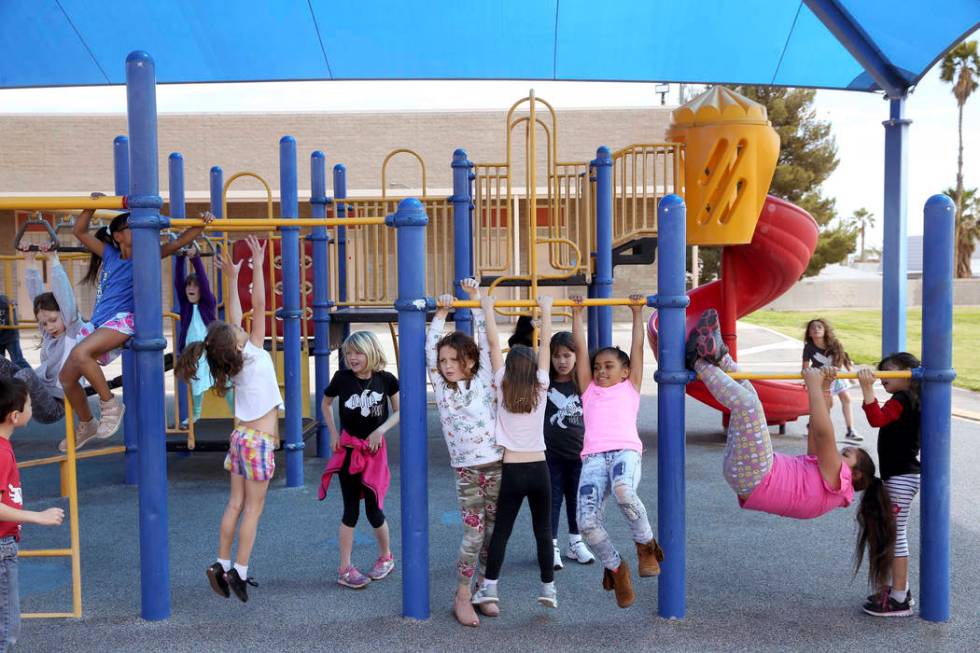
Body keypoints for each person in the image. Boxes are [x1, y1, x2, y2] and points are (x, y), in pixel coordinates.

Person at [688, 309, 895, 602]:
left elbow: (824, 435)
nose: (839, 453)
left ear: (856, 474)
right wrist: (823, 387)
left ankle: (698, 361)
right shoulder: (827, 479)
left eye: (847, 454)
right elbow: (816, 430)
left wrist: (811, 385)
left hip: (758, 476)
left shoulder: (839, 481)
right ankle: (720, 356)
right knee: (750, 397)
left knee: (748, 405)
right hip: (750, 475)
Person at [175, 236, 282, 603]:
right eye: (238, 331)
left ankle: (220, 562)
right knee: (254, 508)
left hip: (239, 439)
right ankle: (240, 570)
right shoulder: (252, 352)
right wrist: (256, 263)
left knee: (234, 503)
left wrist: (234, 276)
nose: (241, 327)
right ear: (237, 344)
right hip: (258, 442)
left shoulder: (231, 362)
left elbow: (236, 316)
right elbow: (261, 306)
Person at [60, 195, 211, 450]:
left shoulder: (147, 255)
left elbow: (182, 241)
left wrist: (202, 224)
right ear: (118, 235)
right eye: (132, 226)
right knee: (67, 377)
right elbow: (79, 231)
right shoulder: (108, 254)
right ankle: (87, 422)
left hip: (123, 321)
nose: (139, 229)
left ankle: (111, 405)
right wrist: (91, 205)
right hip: (100, 322)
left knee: (80, 353)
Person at [569, 294, 662, 609]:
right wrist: (576, 314)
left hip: (624, 451)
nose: (601, 371)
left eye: (609, 366)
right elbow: (581, 352)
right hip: (593, 457)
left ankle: (646, 545)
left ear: (624, 371)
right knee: (586, 524)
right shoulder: (589, 390)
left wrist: (637, 313)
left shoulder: (629, 385)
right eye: (598, 367)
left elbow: (637, 350)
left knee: (624, 490)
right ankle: (615, 568)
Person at [472, 295, 558, 610]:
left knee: (503, 532)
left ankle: (490, 587)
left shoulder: (501, 384)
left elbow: (494, 347)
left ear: (508, 369)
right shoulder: (541, 384)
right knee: (543, 531)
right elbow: (546, 346)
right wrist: (546, 310)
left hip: (511, 470)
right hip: (539, 469)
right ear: (534, 368)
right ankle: (548, 589)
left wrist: (487, 308)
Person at [428, 279, 503, 627]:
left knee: (492, 533)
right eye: (443, 361)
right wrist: (441, 313)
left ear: (469, 361)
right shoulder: (444, 389)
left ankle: (484, 590)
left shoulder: (484, 378)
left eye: (453, 360)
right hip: (467, 471)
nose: (446, 365)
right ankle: (461, 595)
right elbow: (431, 351)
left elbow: (488, 345)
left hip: (496, 466)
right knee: (474, 534)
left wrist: (475, 302)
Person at [318, 330, 400, 590]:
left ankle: (386, 557)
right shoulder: (341, 379)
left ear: (371, 352)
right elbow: (325, 404)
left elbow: (399, 411)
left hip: (374, 453)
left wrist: (380, 430)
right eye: (348, 354)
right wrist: (333, 433)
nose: (352, 358)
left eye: (358, 353)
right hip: (349, 451)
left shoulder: (386, 380)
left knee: (374, 509)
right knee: (350, 509)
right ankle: (344, 568)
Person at [0, 378, 66, 651]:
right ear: (15, 416)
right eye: (29, 404)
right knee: (6, 626)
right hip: (2, 545)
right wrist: (38, 516)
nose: (32, 407)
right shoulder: (1, 453)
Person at [857, 352, 921, 617]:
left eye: (888, 371)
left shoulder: (903, 398)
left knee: (896, 536)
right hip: (903, 475)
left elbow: (877, 419)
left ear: (907, 372)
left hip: (902, 477)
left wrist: (867, 388)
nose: (882, 376)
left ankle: (899, 599)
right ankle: (899, 590)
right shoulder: (911, 399)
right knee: (896, 533)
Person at [0, 246, 84, 427]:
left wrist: (53, 259)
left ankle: (6, 405)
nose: (49, 327)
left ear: (64, 313)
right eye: (44, 323)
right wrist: (29, 260)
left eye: (53, 320)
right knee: (1, 362)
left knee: (26, 374)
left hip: (54, 405)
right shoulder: (49, 333)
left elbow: (65, 298)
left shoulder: (72, 331)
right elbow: (37, 296)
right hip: (38, 391)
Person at [544, 330, 593, 570]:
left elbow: (584, 353)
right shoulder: (545, 384)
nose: (562, 361)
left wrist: (577, 315)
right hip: (551, 455)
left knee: (577, 500)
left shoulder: (582, 384)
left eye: (567, 355)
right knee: (552, 500)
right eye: (556, 356)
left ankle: (575, 542)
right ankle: (550, 545)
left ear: (575, 357)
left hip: (578, 454)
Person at [173, 237, 231, 423]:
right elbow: (177, 283)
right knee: (196, 381)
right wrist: (180, 258)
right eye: (189, 286)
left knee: (224, 379)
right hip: (193, 350)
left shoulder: (208, 303)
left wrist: (195, 259)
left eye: (194, 286)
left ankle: (236, 411)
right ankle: (196, 413)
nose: (191, 289)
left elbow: (205, 284)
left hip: (210, 348)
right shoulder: (185, 306)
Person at [803, 318, 860, 442]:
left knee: (846, 398)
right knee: (825, 405)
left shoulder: (834, 344)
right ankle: (817, 428)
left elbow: (842, 359)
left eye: (819, 327)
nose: (816, 329)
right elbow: (805, 367)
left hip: (835, 375)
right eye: (813, 328)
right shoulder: (809, 347)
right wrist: (807, 380)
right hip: (820, 378)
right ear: (809, 333)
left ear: (825, 331)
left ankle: (850, 430)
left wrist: (850, 375)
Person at [0, 295, 29, 371]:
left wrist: (12, 304)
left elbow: (4, 320)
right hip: (4, 335)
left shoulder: (3, 301)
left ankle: (31, 376)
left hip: (10, 336)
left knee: (18, 360)